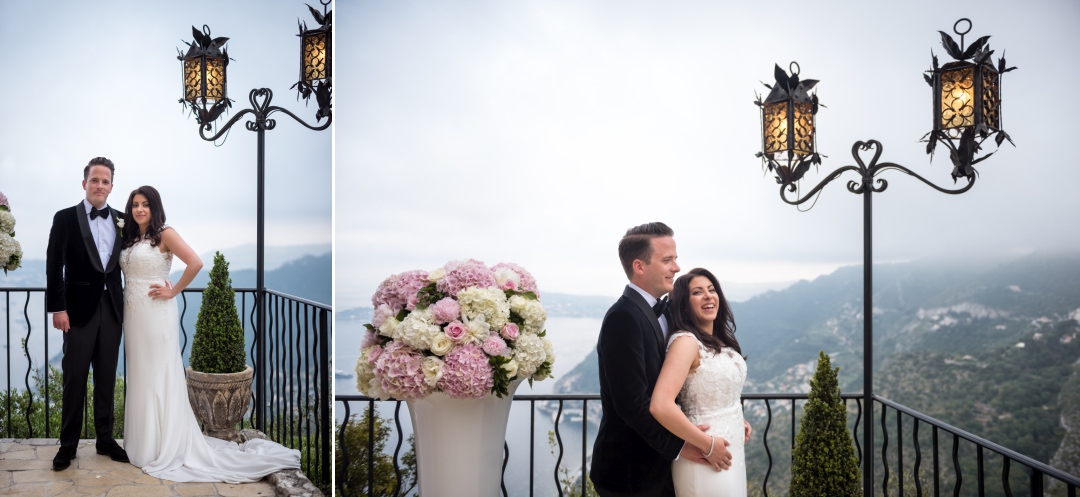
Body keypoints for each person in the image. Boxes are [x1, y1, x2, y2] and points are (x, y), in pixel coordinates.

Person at [119, 185, 301, 482]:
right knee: (141, 373)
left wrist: (173, 290)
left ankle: (163, 444)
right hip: (133, 315)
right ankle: (142, 443)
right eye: (135, 205)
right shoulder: (130, 237)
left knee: (158, 373)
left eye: (145, 205)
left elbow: (195, 262)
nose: (139, 209)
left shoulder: (165, 233)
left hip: (156, 313)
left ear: (155, 208)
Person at [592, 223, 733, 497]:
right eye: (667, 260)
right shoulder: (622, 318)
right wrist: (682, 446)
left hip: (663, 469)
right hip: (630, 474)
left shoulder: (670, 312)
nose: (677, 267)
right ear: (639, 266)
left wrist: (726, 417)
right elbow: (631, 403)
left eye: (676, 259)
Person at [46, 157, 130, 470]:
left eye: (105, 181)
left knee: (107, 378)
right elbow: (54, 265)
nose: (99, 185)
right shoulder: (65, 218)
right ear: (85, 183)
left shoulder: (123, 220)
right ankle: (67, 445)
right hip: (76, 312)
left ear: (111, 186)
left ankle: (105, 439)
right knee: (74, 379)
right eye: (94, 180)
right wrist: (57, 307)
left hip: (112, 312)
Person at [650, 268, 751, 497]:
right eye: (697, 292)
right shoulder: (686, 342)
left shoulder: (719, 340)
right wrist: (708, 445)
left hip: (729, 449)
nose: (708, 295)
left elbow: (715, 390)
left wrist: (736, 417)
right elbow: (660, 405)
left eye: (712, 290)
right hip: (705, 453)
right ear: (684, 305)